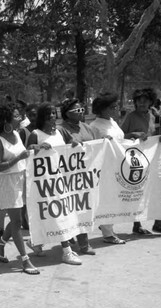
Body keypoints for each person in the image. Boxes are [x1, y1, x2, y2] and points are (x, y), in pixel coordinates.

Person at [27, 103, 82, 265]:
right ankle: (66, 252)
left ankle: (35, 241)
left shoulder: (60, 131)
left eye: (54, 113)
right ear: (42, 117)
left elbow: (71, 144)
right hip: (44, 182)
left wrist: (74, 145)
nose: (52, 116)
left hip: (62, 180)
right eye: (49, 114)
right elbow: (28, 152)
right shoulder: (35, 134)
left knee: (59, 214)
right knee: (58, 214)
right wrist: (36, 147)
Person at [0, 105, 39, 275]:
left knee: (17, 219)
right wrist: (19, 157)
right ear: (7, 120)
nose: (20, 118)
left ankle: (0, 245)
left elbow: (24, 154)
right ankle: (25, 260)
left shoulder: (17, 134)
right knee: (17, 222)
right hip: (7, 182)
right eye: (16, 116)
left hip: (22, 178)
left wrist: (32, 150)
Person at [121, 88, 161, 236]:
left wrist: (159, 139)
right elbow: (120, 137)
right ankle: (137, 225)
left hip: (152, 160)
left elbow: (152, 135)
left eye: (145, 100)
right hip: (136, 163)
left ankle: (159, 223)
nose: (142, 103)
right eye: (139, 100)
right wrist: (133, 134)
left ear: (151, 102)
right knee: (138, 194)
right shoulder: (130, 117)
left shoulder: (152, 115)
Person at [57, 98, 98, 255]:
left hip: (87, 176)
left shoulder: (87, 127)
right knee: (72, 210)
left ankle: (81, 242)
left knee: (83, 209)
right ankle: (83, 244)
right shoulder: (61, 130)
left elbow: (97, 144)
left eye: (82, 110)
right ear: (67, 114)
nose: (81, 113)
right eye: (77, 111)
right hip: (70, 177)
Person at [88, 92, 127, 244]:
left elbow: (120, 139)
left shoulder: (113, 122)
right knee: (107, 199)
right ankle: (108, 233)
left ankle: (107, 226)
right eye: (113, 107)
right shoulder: (94, 127)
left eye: (116, 106)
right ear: (103, 109)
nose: (116, 109)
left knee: (115, 198)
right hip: (104, 168)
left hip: (118, 165)